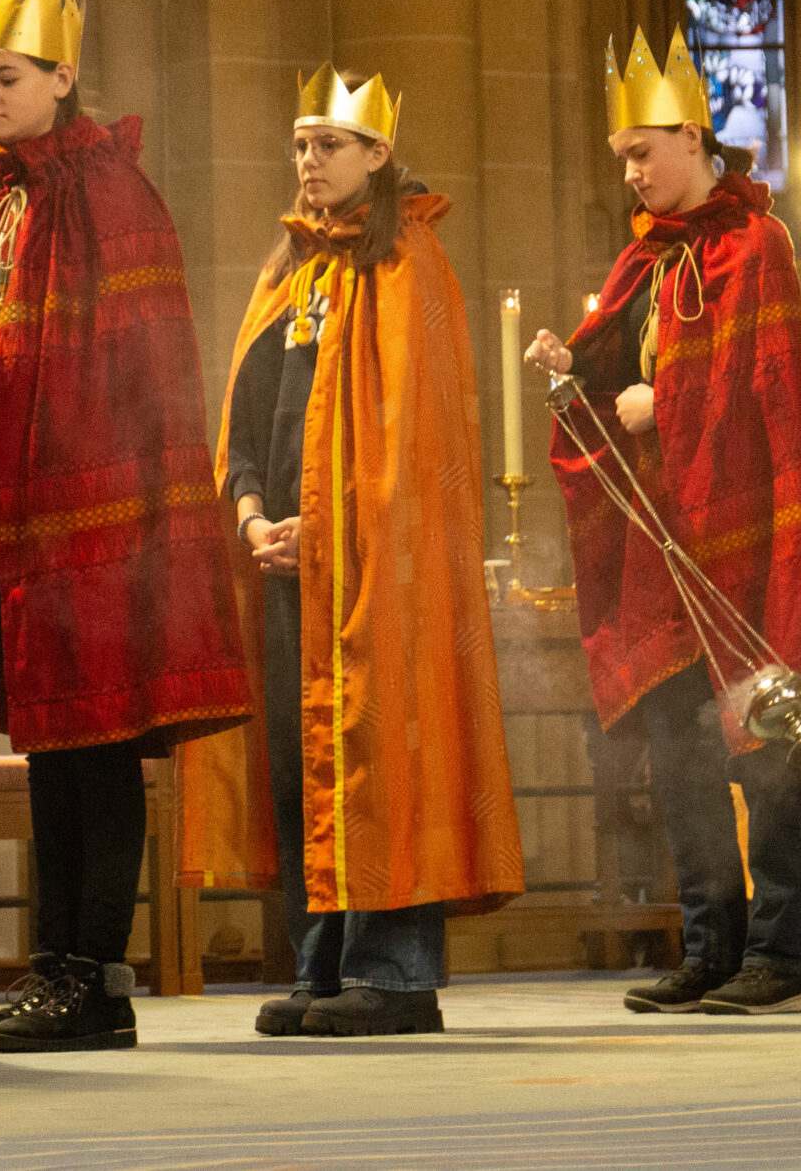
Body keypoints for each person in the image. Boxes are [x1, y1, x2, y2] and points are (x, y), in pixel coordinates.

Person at [0, 0, 250, 1054]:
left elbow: (127, 364)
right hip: (15, 501)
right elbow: (6, 331)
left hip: (102, 523)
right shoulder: (7, 200)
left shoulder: (108, 190)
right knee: (51, 750)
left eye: (7, 74)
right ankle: (58, 967)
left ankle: (94, 975)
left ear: (63, 76)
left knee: (98, 747)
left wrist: (1, 371)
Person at [179, 68, 524, 1038]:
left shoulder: (408, 266)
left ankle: (397, 971)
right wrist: (252, 518)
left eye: (326, 144)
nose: (307, 162)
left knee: (383, 758)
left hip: (383, 578)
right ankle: (321, 965)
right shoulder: (288, 272)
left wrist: (331, 531)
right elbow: (242, 426)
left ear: (375, 155)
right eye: (298, 146)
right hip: (289, 571)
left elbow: (415, 444)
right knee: (301, 767)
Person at [527, 28, 801, 1017]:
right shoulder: (641, 262)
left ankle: (783, 954)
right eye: (620, 156)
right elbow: (615, 379)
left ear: (693, 138)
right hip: (658, 550)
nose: (629, 171)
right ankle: (711, 944)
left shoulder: (760, 245)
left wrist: (662, 404)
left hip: (739, 538)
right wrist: (570, 375)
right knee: (679, 754)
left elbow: (768, 392)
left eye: (639, 152)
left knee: (759, 744)